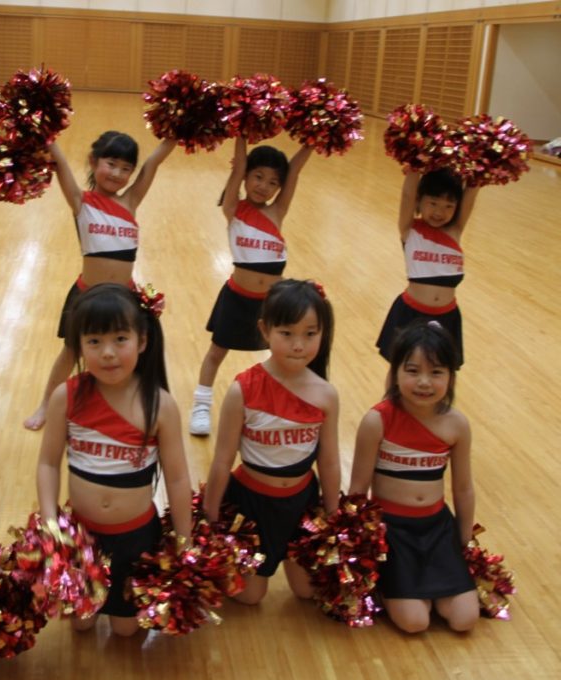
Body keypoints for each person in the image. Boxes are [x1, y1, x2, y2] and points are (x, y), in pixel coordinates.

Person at [36, 283, 192, 636]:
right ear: (79, 346)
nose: (108, 353)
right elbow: (47, 463)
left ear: (143, 341)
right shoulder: (66, 396)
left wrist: (185, 540)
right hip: (82, 537)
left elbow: (178, 479)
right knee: (80, 625)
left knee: (125, 630)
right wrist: (51, 526)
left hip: (137, 538)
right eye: (94, 342)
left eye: (120, 339)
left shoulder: (160, 404)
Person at [23, 131, 177, 431]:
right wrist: (46, 132)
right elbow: (60, 161)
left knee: (133, 352)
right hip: (87, 295)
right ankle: (45, 405)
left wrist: (176, 132)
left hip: (125, 298)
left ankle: (135, 404)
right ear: (94, 162)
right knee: (70, 352)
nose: (118, 174)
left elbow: (154, 163)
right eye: (111, 163)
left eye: (126, 168)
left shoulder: (131, 201)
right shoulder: (81, 201)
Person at [202, 279, 339, 605]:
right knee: (250, 596)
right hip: (251, 504)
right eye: (287, 333)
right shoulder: (243, 390)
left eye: (310, 334)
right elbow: (222, 460)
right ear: (265, 330)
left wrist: (333, 516)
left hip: (301, 503)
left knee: (307, 592)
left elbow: (330, 461)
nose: (298, 345)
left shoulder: (326, 394)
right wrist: (209, 515)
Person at [349, 321, 478, 633]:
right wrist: (358, 548)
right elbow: (357, 489)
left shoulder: (457, 425)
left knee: (464, 619)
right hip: (392, 534)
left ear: (451, 376)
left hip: (438, 530)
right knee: (414, 622)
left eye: (436, 372)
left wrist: (462, 541)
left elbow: (462, 488)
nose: (424, 382)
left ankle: (430, 590)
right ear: (394, 373)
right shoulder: (376, 420)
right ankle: (388, 583)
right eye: (412, 370)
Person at [189, 137, 313, 435]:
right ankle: (201, 405)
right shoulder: (233, 208)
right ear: (245, 176)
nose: (263, 186)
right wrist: (242, 134)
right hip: (237, 296)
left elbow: (294, 171)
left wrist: (312, 139)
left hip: (273, 301)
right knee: (217, 352)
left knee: (283, 354)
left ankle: (282, 404)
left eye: (272, 182)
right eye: (257, 177)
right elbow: (238, 167)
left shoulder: (277, 211)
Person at [375, 168, 478, 365]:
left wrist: (484, 163)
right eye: (433, 203)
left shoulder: (455, 231)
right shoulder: (410, 230)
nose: (440, 212)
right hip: (410, 313)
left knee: (441, 370)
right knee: (401, 368)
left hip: (447, 316)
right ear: (419, 201)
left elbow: (472, 192)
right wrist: (415, 159)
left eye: (449, 206)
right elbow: (407, 194)